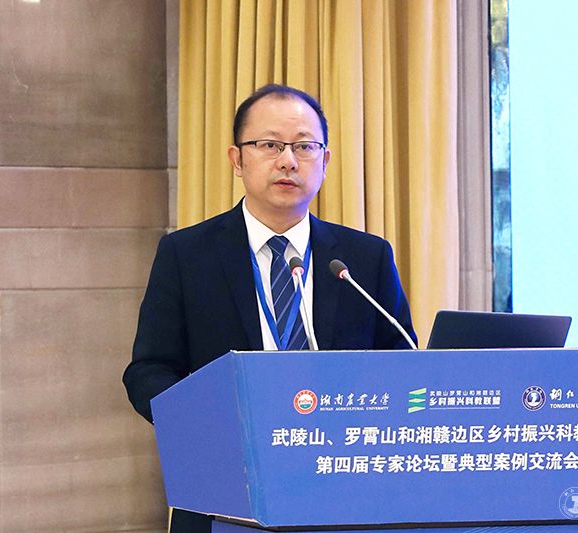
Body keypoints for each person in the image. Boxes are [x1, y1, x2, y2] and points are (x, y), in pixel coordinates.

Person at [123, 84, 416, 533]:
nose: (288, 161)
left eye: (304, 146)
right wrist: (209, 428)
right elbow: (149, 371)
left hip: (343, 485)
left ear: (325, 161)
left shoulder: (363, 258)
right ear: (237, 160)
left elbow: (401, 361)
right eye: (270, 145)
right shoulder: (187, 255)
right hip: (226, 486)